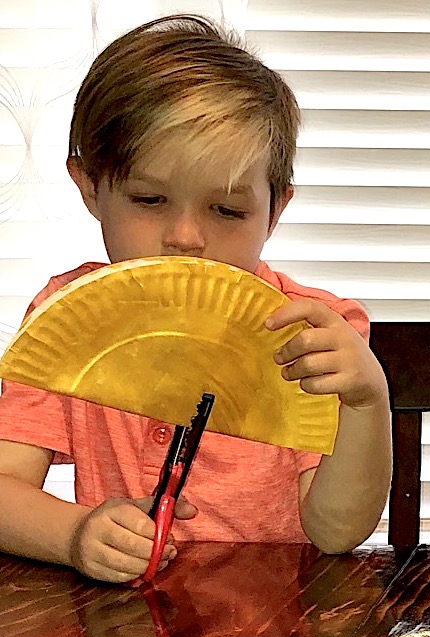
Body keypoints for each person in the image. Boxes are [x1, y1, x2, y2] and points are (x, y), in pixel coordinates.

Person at [0, 15, 392, 583]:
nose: (186, 237)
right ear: (90, 189)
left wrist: (366, 402)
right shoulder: (70, 316)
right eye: (149, 198)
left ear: (274, 211)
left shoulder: (308, 333)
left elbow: (334, 533)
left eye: (227, 211)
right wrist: (77, 533)